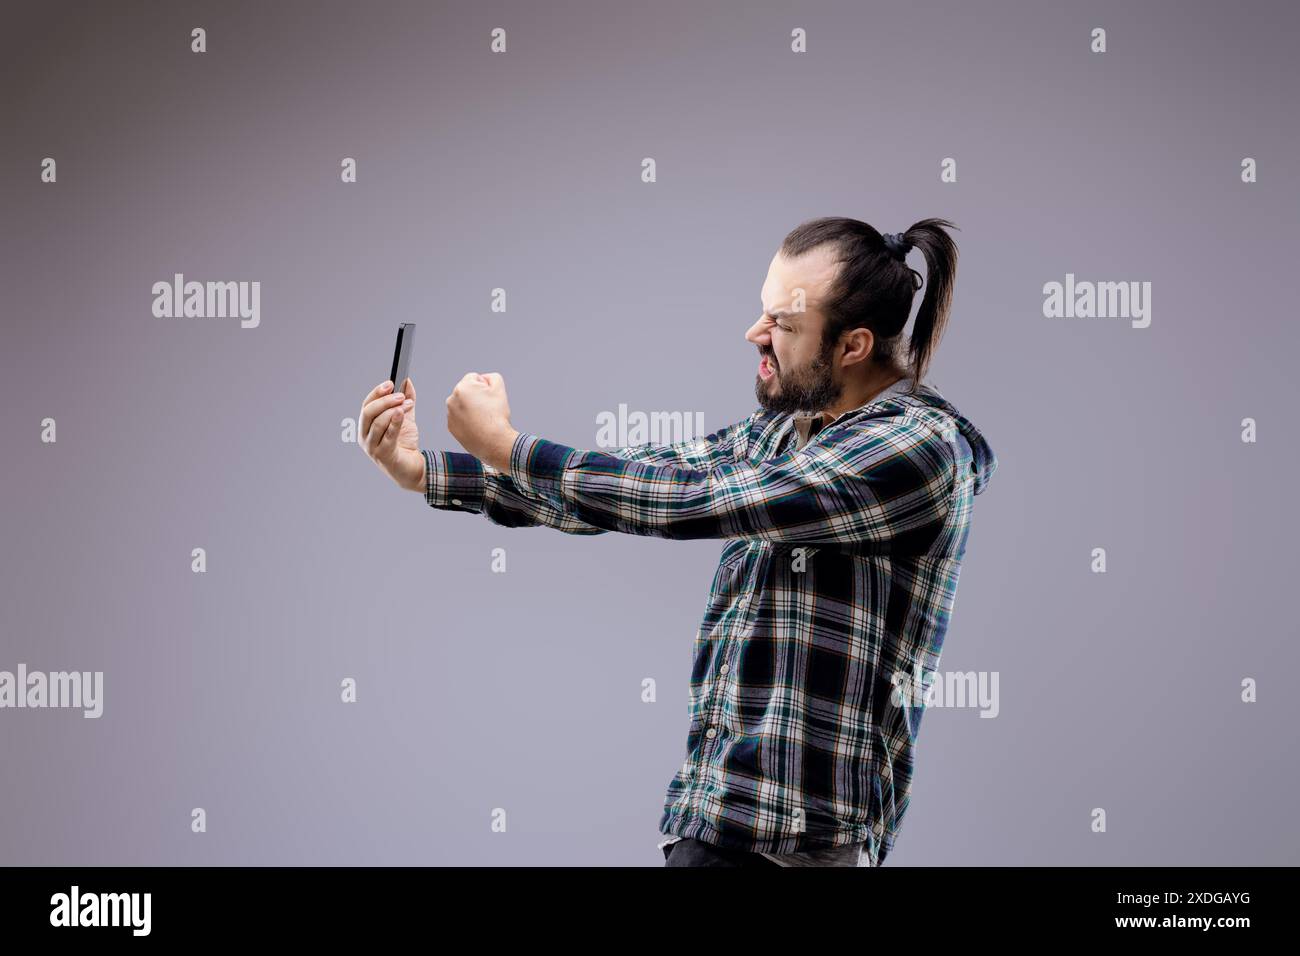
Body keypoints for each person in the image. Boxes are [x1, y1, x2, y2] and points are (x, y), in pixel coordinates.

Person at [358, 216, 998, 867]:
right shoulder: (785, 435)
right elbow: (640, 482)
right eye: (762, 312)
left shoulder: (919, 450)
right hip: (718, 829)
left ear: (854, 345)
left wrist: (508, 446)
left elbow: (692, 502)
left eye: (784, 322)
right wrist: (426, 471)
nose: (756, 334)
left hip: (793, 850)